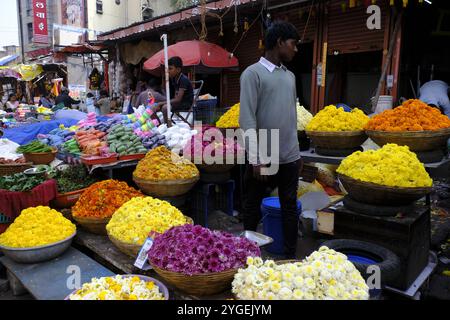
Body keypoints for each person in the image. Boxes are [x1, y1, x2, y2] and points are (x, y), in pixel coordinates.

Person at [239, 21, 302, 259]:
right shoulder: (252, 74)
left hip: (288, 156)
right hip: (263, 156)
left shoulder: (290, 77)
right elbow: (247, 120)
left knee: (289, 208)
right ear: (279, 42)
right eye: (293, 44)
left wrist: (296, 155)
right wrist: (255, 158)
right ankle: (246, 257)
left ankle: (289, 257)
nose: (295, 49)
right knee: (252, 207)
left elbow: (291, 117)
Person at [152, 57, 194, 124]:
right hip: (177, 102)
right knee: (152, 107)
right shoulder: (174, 79)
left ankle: (168, 126)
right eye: (167, 68)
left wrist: (161, 103)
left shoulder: (183, 79)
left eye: (170, 68)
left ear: (178, 69)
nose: (168, 71)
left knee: (165, 108)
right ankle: (159, 125)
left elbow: (178, 99)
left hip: (185, 103)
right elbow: (173, 96)